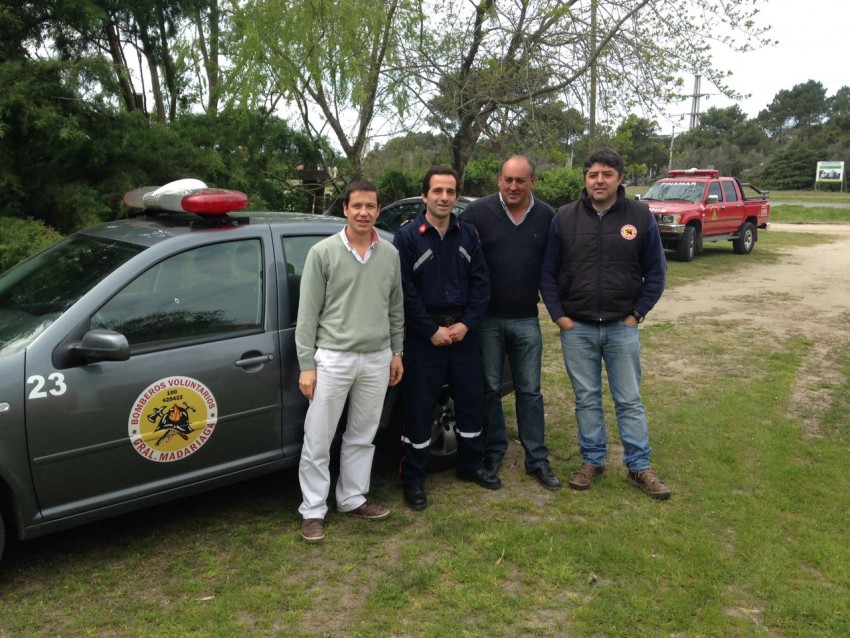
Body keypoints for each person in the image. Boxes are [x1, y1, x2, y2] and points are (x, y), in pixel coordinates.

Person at [539, 149, 671, 499]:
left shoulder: (640, 216)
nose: (599, 180)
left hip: (620, 327)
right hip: (577, 328)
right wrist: (560, 317)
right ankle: (592, 461)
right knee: (586, 399)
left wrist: (636, 315)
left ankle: (639, 467)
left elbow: (656, 273)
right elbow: (548, 273)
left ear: (620, 179)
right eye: (593, 174)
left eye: (607, 174)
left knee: (628, 399)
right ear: (585, 178)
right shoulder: (564, 218)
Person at [295, 180, 405, 542]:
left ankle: (352, 498)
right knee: (319, 438)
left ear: (377, 210)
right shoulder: (322, 253)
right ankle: (313, 510)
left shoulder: (389, 253)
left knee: (362, 436)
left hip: (376, 358)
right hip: (333, 358)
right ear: (345, 209)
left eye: (370, 206)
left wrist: (396, 352)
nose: (364, 213)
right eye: (357, 206)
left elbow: (395, 309)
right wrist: (307, 365)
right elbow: (307, 315)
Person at [393, 165, 499, 511]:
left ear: (456, 196)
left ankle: (470, 466)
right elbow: (404, 292)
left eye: (450, 192)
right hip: (425, 337)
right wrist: (431, 330)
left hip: (463, 334)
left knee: (471, 402)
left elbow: (481, 284)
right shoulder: (407, 237)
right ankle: (414, 479)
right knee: (420, 409)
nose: (444, 197)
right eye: (437, 191)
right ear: (424, 195)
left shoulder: (468, 233)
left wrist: (466, 325)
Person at [462, 155, 561, 489]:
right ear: (498, 179)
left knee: (530, 391)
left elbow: (556, 266)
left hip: (526, 319)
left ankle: (537, 458)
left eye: (520, 180)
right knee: (490, 389)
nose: (513, 187)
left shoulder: (547, 216)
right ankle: (494, 451)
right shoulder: (476, 214)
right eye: (507, 180)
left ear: (532, 181)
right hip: (487, 319)